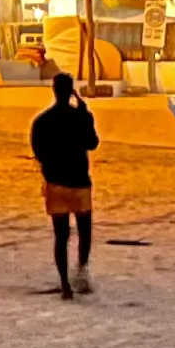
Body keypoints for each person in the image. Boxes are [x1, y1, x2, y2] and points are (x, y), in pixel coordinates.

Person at [30, 73, 99, 299]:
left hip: (56, 182)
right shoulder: (79, 118)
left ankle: (64, 284)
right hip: (79, 181)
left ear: (53, 90)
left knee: (61, 236)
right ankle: (81, 271)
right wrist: (85, 114)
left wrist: (49, 168)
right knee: (84, 231)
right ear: (71, 91)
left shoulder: (42, 121)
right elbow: (92, 142)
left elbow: (38, 151)